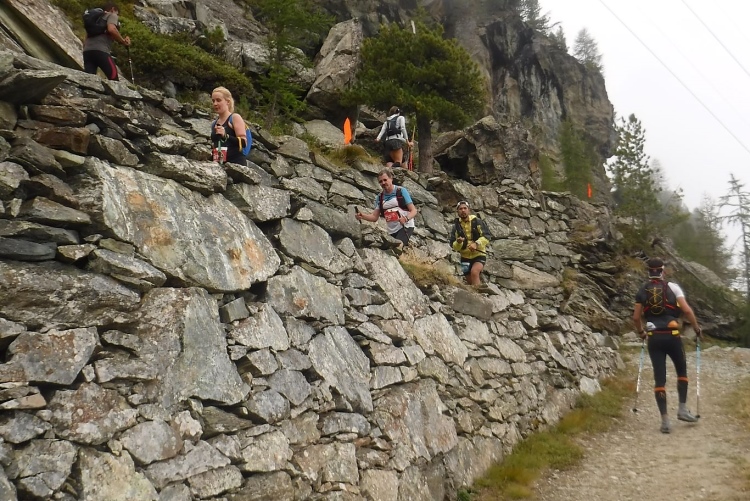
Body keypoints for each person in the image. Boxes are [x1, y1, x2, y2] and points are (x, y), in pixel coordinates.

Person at [633, 257, 702, 434]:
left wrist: (641, 333)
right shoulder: (673, 287)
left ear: (649, 271)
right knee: (681, 371)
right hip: (672, 336)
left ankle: (665, 421)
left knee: (659, 378)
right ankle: (682, 409)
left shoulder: (642, 290)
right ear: (662, 270)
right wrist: (696, 328)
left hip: (654, 338)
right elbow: (686, 310)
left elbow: (636, 317)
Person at [355, 168, 418, 253]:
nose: (383, 183)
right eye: (380, 181)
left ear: (391, 178)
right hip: (391, 230)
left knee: (397, 248)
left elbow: (414, 210)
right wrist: (362, 216)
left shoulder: (401, 191)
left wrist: (405, 218)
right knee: (390, 251)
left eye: (385, 180)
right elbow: (374, 217)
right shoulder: (379, 197)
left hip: (405, 226)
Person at [83, 2, 131, 80]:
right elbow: (112, 29)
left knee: (89, 80)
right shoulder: (111, 15)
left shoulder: (96, 19)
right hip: (101, 51)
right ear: (113, 9)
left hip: (87, 52)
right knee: (114, 79)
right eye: (117, 13)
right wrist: (123, 41)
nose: (117, 16)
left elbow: (87, 37)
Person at [450, 201, 491, 286]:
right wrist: (458, 242)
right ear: (457, 212)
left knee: (474, 272)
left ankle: (478, 293)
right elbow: (453, 246)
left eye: (465, 208)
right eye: (460, 209)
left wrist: (476, 243)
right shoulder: (456, 227)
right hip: (464, 257)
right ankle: (477, 291)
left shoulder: (477, 221)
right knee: (469, 280)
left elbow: (487, 236)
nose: (463, 210)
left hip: (479, 254)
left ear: (469, 210)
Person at [210, 87, 249, 166]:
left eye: (218, 100)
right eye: (213, 101)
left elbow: (243, 142)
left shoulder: (234, 118)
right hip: (219, 164)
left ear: (227, 101)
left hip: (236, 164)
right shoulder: (214, 123)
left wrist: (226, 136)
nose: (215, 104)